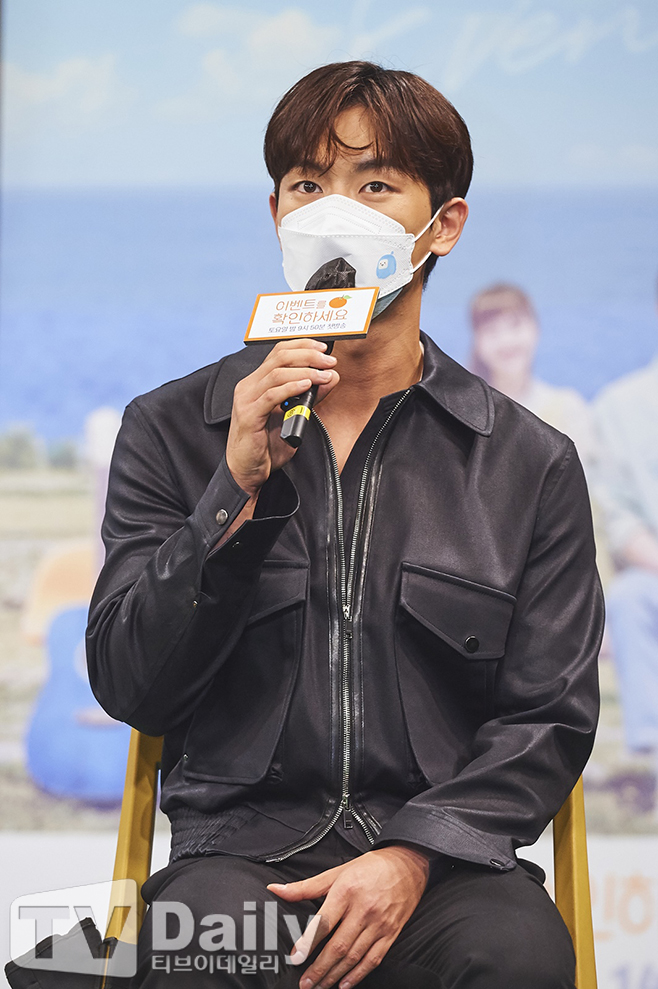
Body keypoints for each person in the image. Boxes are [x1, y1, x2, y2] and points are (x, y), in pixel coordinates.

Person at [86, 62, 603, 989]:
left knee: (516, 957)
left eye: (374, 186)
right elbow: (132, 684)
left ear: (444, 224)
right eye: (307, 186)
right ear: (276, 215)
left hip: (447, 867)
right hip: (237, 858)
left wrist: (414, 853)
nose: (333, 214)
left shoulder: (529, 463)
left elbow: (548, 716)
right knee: (192, 953)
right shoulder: (171, 430)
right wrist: (232, 490)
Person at [592, 288, 658, 812]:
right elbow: (620, 519)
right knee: (633, 595)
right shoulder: (623, 406)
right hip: (653, 573)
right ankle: (650, 757)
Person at [468, 283, 597, 473]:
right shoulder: (463, 411)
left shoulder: (568, 408)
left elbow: (585, 483)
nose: (506, 340)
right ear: (477, 341)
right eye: (491, 330)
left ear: (535, 328)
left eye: (515, 325)